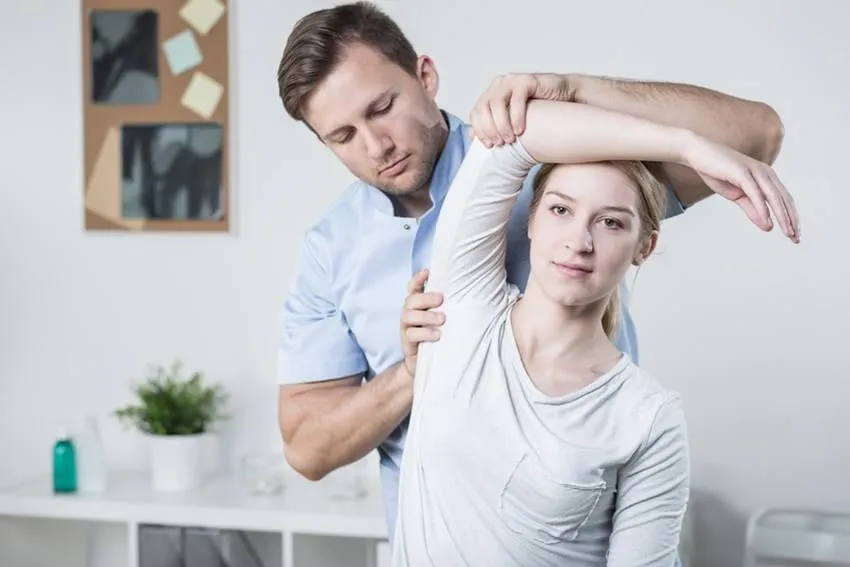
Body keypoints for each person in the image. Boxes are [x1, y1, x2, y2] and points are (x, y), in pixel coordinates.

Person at [274, 0, 798, 551]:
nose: (376, 145)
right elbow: (308, 449)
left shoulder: (560, 170)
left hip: (575, 524)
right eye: (342, 135)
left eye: (382, 107)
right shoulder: (330, 250)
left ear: (425, 76)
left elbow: (755, 134)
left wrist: (567, 89)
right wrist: (410, 373)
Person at [390, 97, 797, 565]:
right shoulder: (462, 306)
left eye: (610, 223)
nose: (579, 242)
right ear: (533, 220)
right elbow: (515, 133)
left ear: (645, 246)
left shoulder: (647, 417)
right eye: (561, 211)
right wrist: (685, 146)